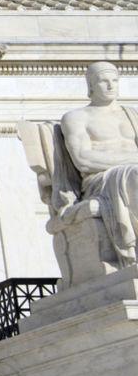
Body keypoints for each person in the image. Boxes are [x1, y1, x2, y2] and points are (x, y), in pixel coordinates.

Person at [60, 62, 138, 265]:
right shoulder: (77, 117)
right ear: (91, 86)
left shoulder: (132, 115)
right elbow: (83, 160)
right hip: (101, 179)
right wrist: (131, 162)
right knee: (135, 174)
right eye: (104, 81)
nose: (111, 86)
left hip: (131, 172)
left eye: (114, 80)